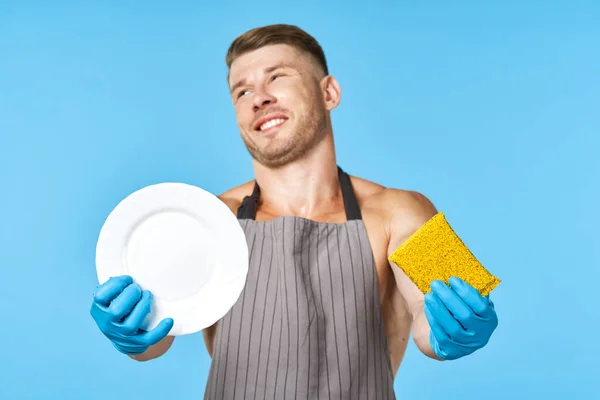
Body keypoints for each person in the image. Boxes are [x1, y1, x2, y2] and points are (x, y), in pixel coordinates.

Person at [90, 24, 499, 399]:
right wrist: (132, 334)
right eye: (242, 91)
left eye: (277, 77)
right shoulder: (209, 217)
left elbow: (433, 323)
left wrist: (457, 332)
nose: (259, 98)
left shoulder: (403, 209)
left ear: (329, 93)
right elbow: (157, 335)